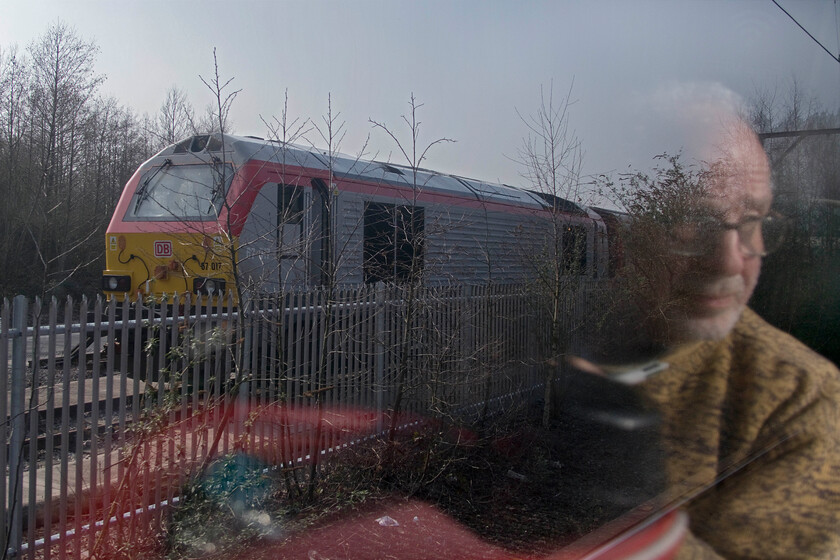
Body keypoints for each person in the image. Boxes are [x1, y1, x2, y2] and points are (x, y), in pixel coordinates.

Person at [604, 94, 840, 559]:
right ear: (644, 238)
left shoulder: (803, 398)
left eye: (752, 222)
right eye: (695, 223)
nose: (732, 259)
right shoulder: (603, 364)